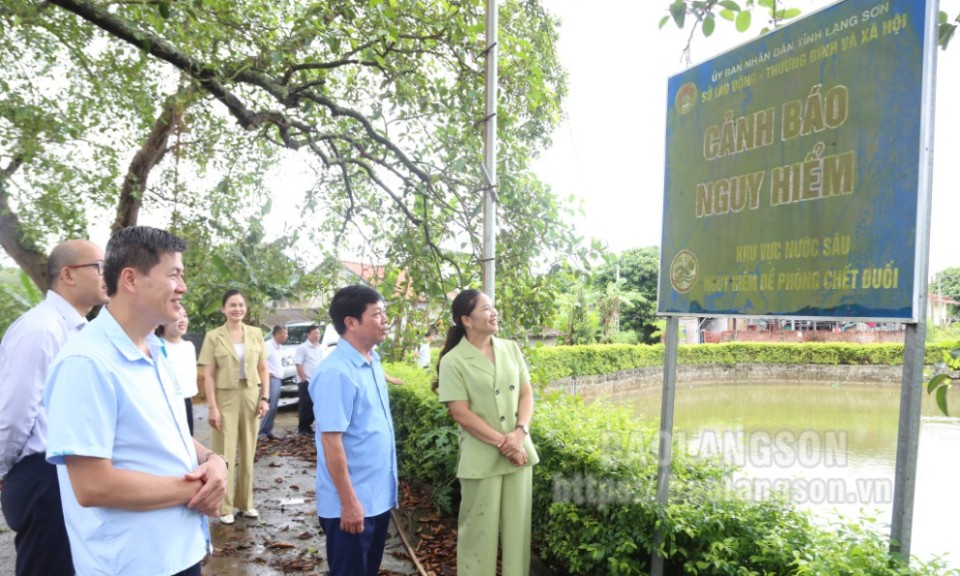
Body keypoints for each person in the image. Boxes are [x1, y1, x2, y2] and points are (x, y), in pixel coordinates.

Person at [43, 226, 227, 576]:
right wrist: (196, 489)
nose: (183, 287)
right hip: (133, 563)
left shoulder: (156, 350)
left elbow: (164, 433)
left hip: (181, 550)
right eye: (173, 275)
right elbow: (93, 485)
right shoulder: (86, 363)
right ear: (130, 279)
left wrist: (213, 461)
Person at [0, 239, 109, 576]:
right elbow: (15, 414)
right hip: (42, 476)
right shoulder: (40, 330)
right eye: (99, 266)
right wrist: (4, 470)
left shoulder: (80, 330)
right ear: (68, 275)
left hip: (70, 472)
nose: (109, 274)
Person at [435, 289, 539, 576]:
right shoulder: (453, 361)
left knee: (518, 531)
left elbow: (526, 393)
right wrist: (505, 443)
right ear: (467, 320)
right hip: (482, 457)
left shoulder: (511, 349)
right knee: (478, 533)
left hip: (519, 454)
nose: (494, 313)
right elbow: (461, 413)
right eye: (485, 309)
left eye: (493, 307)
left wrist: (520, 433)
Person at [310, 285, 397, 576]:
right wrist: (349, 503)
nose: (385, 320)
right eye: (377, 314)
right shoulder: (336, 373)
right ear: (351, 323)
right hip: (352, 504)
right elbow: (331, 442)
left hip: (376, 497)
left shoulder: (371, 362)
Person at [198, 289, 269, 524]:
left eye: (240, 305)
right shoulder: (213, 336)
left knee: (249, 452)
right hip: (224, 397)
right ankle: (225, 507)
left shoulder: (256, 334)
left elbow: (263, 369)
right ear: (223, 309)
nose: (237, 309)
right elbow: (208, 375)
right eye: (232, 305)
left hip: (251, 395)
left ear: (245, 308)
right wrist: (212, 407)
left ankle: (246, 503)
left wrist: (265, 398)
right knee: (224, 453)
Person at [156, 309, 199, 435]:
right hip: (165, 406)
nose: (183, 320)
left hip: (186, 403)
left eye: (185, 316)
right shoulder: (156, 346)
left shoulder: (189, 346)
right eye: (177, 316)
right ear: (163, 321)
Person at [259, 325, 288, 441]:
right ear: (276, 334)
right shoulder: (268, 346)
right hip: (270, 380)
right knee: (269, 407)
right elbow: (261, 361)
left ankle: (268, 431)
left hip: (277, 379)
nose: (285, 336)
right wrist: (268, 373)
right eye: (283, 333)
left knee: (274, 407)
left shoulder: (278, 347)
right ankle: (261, 433)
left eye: (286, 333)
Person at [295, 324, 323, 436]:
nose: (317, 335)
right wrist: (303, 379)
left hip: (317, 381)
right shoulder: (303, 348)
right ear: (308, 334)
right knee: (305, 405)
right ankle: (302, 428)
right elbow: (298, 364)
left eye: (318, 333)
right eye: (315, 333)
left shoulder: (319, 348)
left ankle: (308, 426)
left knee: (314, 404)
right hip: (306, 381)